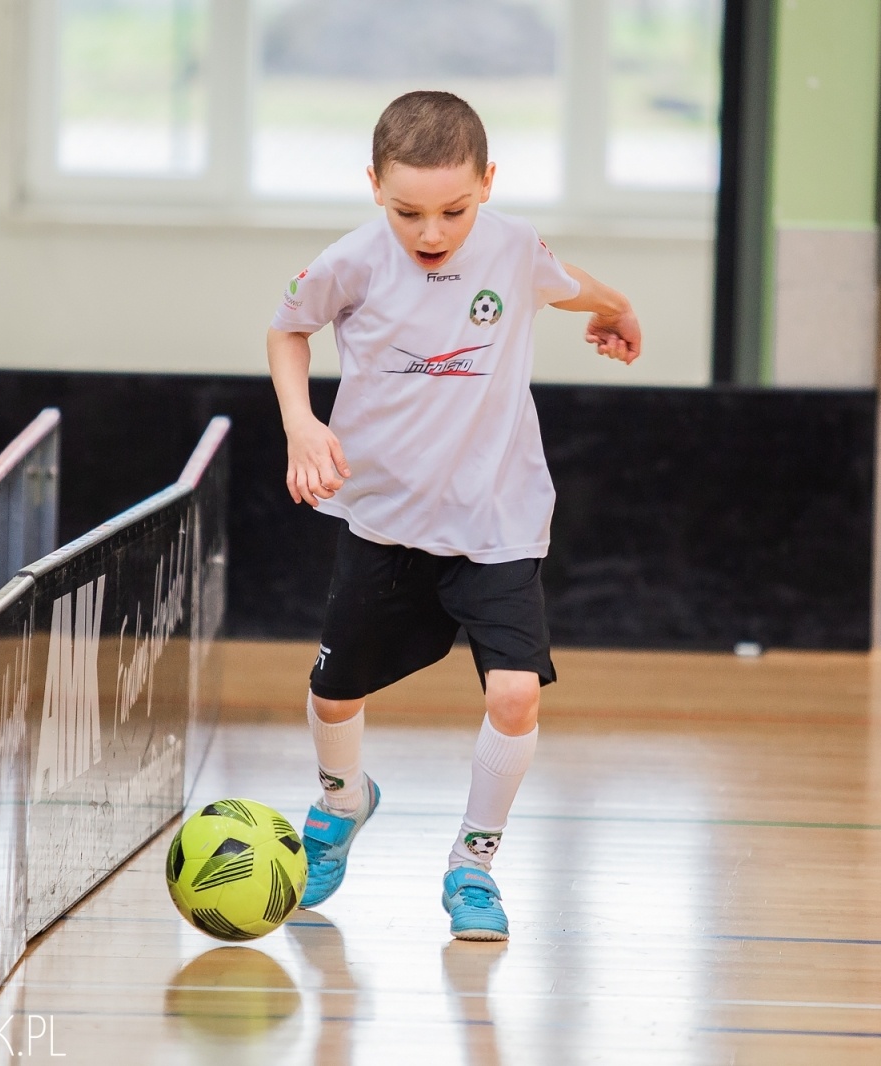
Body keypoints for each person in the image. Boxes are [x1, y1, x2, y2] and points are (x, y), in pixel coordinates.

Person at [266, 90, 640, 941]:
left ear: (488, 183)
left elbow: (572, 284)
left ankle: (472, 866)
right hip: (385, 521)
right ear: (373, 187)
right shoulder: (352, 262)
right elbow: (287, 332)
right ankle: (342, 803)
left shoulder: (512, 246)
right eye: (408, 211)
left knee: (514, 695)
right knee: (333, 695)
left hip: (497, 523)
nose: (431, 232)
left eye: (454, 210)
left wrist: (620, 311)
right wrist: (301, 421)